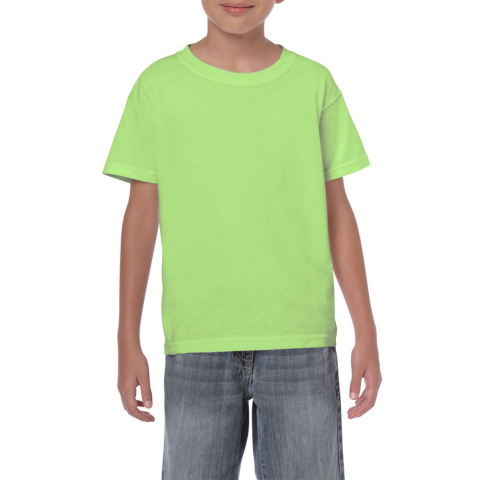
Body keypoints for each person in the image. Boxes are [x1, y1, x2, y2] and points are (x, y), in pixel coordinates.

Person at [103, 1, 382, 478]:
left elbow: (338, 212)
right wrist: (126, 338)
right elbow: (141, 217)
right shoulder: (158, 86)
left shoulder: (313, 84)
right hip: (196, 341)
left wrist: (367, 332)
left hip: (300, 338)